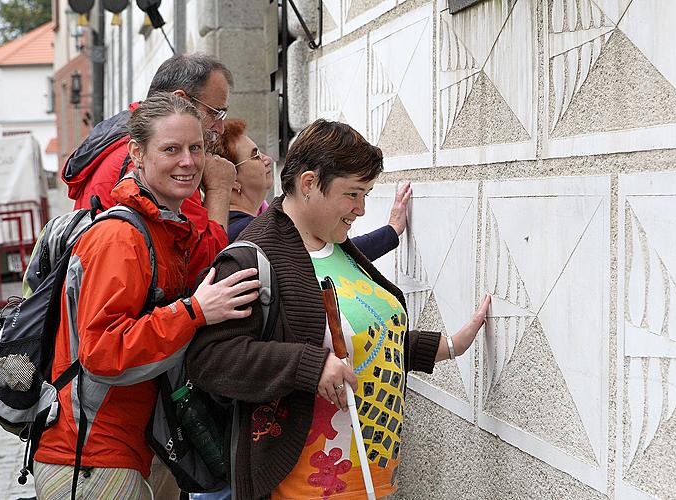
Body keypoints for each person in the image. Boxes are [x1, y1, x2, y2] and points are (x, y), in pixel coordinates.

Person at [186, 119, 490, 500]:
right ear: (309, 183)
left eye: (366, 194)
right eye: (353, 194)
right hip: (303, 485)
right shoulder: (254, 256)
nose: (361, 209)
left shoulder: (337, 245)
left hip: (371, 476)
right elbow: (210, 359)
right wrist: (309, 366)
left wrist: (447, 346)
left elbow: (355, 339)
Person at [33, 94, 261, 500]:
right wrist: (194, 312)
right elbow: (102, 352)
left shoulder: (161, 228)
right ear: (137, 154)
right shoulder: (121, 238)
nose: (188, 162)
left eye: (195, 148)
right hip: (90, 460)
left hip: (113, 454)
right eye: (171, 149)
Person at [62, 53, 236, 287]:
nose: (221, 127)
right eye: (215, 113)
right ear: (181, 101)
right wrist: (220, 189)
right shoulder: (160, 164)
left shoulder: (127, 142)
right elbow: (200, 266)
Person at [214, 118, 413, 260]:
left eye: (365, 194)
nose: (267, 159)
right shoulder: (251, 236)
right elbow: (330, 258)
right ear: (308, 184)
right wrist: (391, 231)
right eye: (255, 155)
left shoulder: (264, 218)